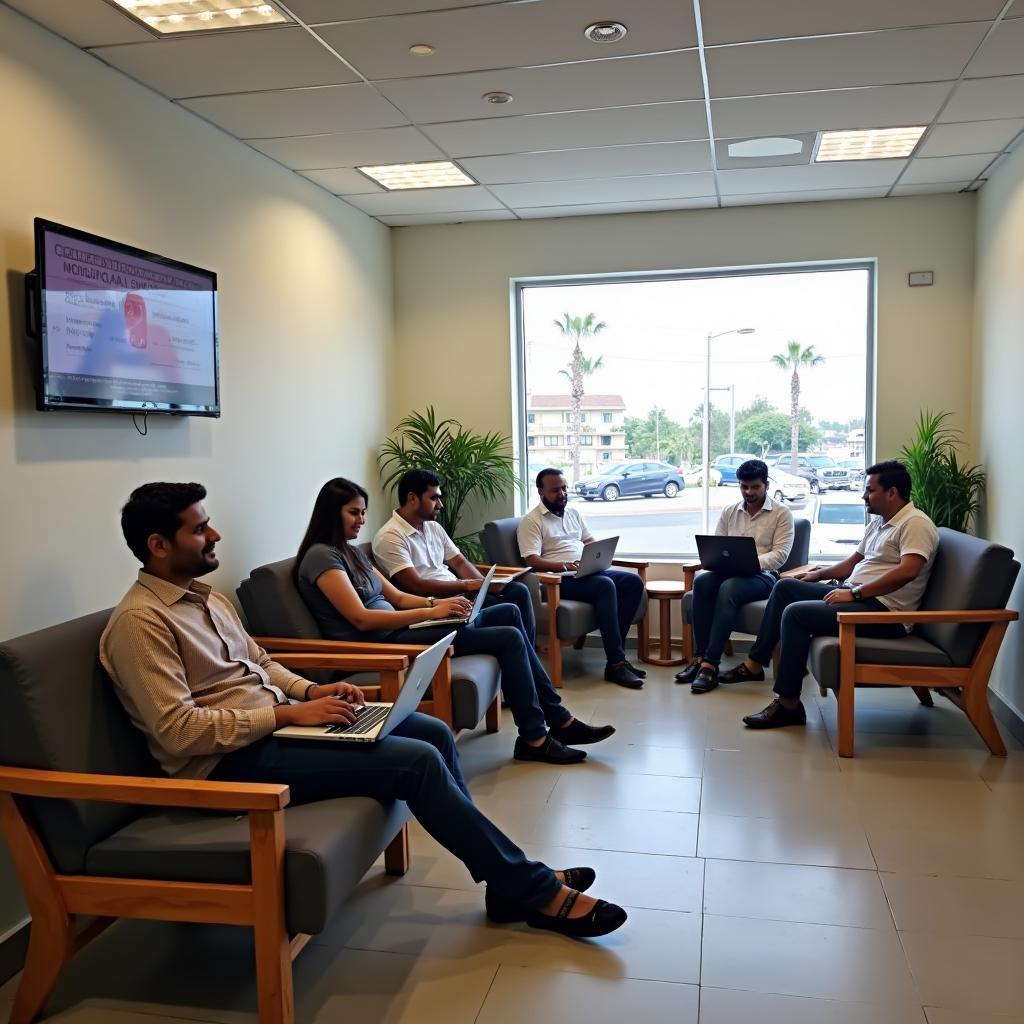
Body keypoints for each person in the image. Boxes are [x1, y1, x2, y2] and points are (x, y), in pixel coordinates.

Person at [100, 482, 627, 939]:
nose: (214, 536)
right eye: (200, 530)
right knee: (415, 761)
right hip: (231, 764)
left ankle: (504, 883)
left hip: (279, 729)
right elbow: (178, 732)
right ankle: (530, 889)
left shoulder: (207, 599)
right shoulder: (140, 623)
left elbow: (261, 662)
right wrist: (287, 716)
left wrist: (310, 695)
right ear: (158, 545)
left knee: (432, 733)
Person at [296, 478, 615, 766]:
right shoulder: (322, 557)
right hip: (385, 642)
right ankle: (537, 735)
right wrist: (430, 612)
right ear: (330, 513)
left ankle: (556, 720)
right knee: (509, 638)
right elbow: (361, 619)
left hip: (404, 626)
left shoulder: (350, 553)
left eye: (363, 512)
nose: (362, 520)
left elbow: (399, 597)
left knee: (508, 612)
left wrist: (441, 605)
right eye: (354, 513)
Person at [727, 460, 939, 729]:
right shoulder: (880, 523)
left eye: (869, 490)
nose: (864, 496)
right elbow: (852, 562)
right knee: (785, 587)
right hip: (857, 596)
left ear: (892, 492)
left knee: (796, 614)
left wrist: (856, 594)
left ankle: (788, 704)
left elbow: (907, 571)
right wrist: (816, 574)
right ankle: (755, 664)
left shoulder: (915, 524)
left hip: (884, 613)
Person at [372, 468, 536, 645]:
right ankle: (526, 657)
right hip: (438, 602)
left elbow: (459, 562)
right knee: (510, 610)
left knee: (518, 590)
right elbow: (416, 585)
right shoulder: (390, 536)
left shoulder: (433, 527)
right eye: (434, 498)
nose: (440, 505)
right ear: (412, 498)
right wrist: (467, 584)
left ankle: (528, 652)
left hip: (460, 592)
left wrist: (483, 585)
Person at [517, 469, 646, 689]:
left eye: (564, 488)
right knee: (605, 585)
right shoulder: (532, 521)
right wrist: (565, 565)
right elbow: (532, 560)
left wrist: (597, 556)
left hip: (586, 572)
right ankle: (615, 664)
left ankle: (619, 657)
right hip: (558, 580)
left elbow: (588, 541)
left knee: (632, 583)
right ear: (540, 492)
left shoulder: (574, 513)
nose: (562, 493)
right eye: (555, 490)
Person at [676, 459, 794, 694]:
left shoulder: (782, 514)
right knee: (701, 581)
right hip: (728, 571)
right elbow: (718, 545)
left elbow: (780, 555)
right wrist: (719, 561)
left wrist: (749, 563)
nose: (749, 492)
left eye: (754, 487)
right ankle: (699, 658)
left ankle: (710, 665)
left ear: (766, 485)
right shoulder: (730, 512)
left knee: (729, 588)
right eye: (744, 487)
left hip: (763, 577)